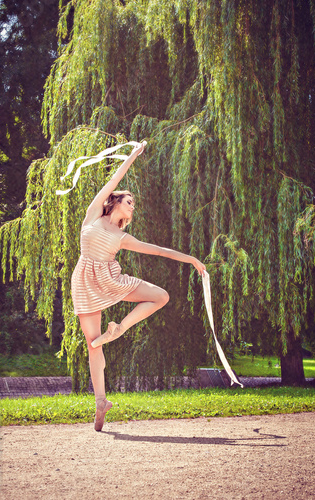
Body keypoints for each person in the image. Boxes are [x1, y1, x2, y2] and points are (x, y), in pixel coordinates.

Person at [71, 142, 206, 431]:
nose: (133, 205)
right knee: (93, 345)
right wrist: (132, 155)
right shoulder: (94, 214)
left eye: (134, 204)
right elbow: (113, 180)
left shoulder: (123, 237)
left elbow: (158, 250)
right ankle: (100, 402)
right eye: (129, 200)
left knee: (160, 296)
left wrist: (191, 259)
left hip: (108, 279)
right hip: (85, 281)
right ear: (115, 201)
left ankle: (119, 329)